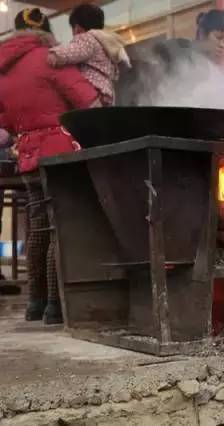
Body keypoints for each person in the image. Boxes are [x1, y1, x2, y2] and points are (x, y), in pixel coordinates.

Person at [0, 8, 99, 323]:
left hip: (27, 153)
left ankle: (35, 302)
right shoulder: (50, 58)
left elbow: (3, 121)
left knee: (37, 225)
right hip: (59, 151)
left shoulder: (3, 70)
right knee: (61, 225)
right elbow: (88, 100)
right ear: (46, 31)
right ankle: (57, 305)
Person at [48, 3, 130, 107]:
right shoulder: (103, 42)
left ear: (77, 28)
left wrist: (54, 54)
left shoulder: (86, 38)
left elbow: (71, 53)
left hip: (94, 92)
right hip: (105, 93)